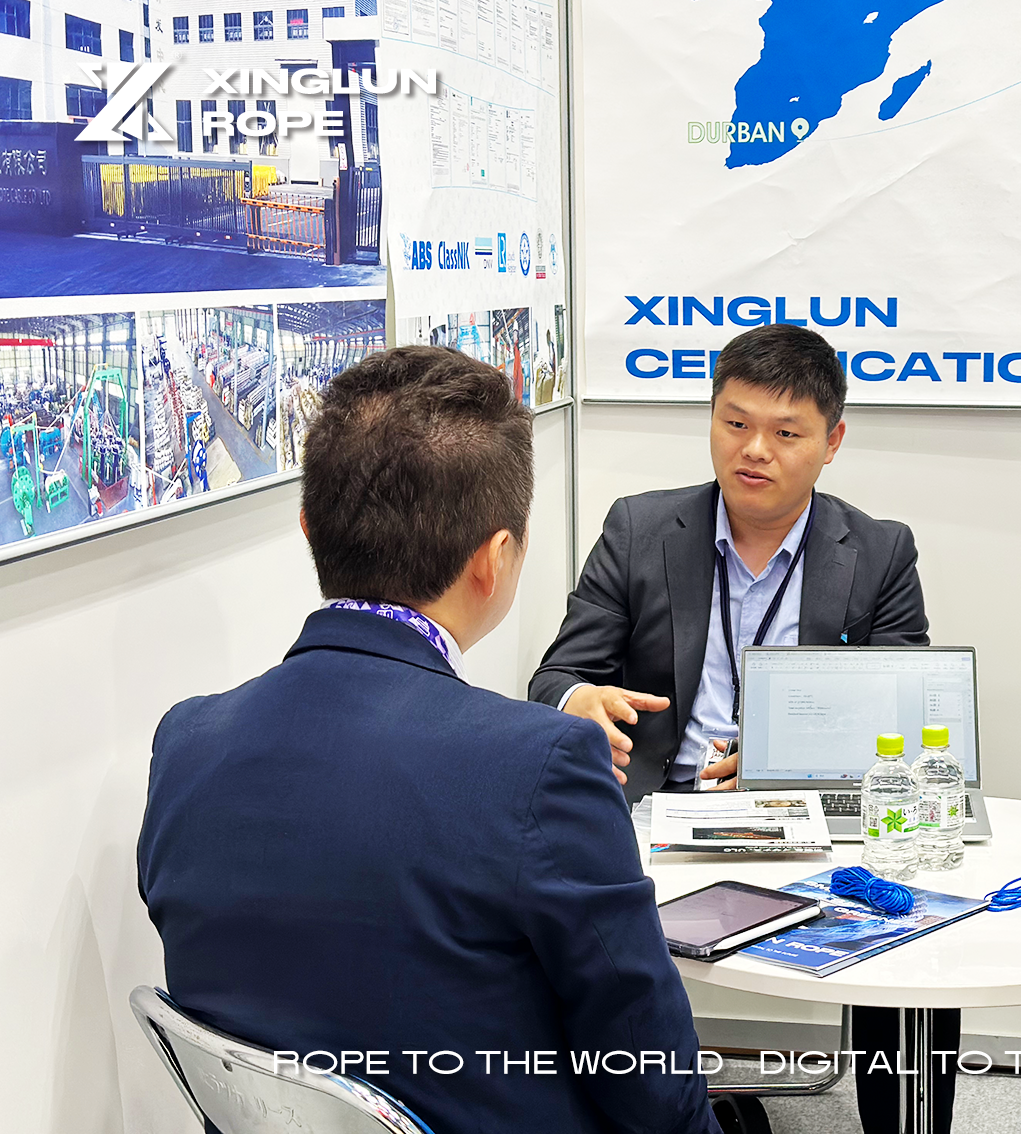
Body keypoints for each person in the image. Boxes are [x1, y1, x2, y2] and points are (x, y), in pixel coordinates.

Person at [138, 347, 719, 1134]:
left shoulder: (185, 742)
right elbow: (649, 1073)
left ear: (309, 529)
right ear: (496, 559)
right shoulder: (541, 767)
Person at [529, 323, 955, 1134]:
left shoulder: (877, 551)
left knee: (908, 931)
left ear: (832, 442)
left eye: (786, 433)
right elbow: (556, 675)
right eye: (735, 423)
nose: (754, 450)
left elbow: (901, 710)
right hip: (657, 811)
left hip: (811, 816)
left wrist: (787, 758)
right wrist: (577, 699)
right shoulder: (639, 529)